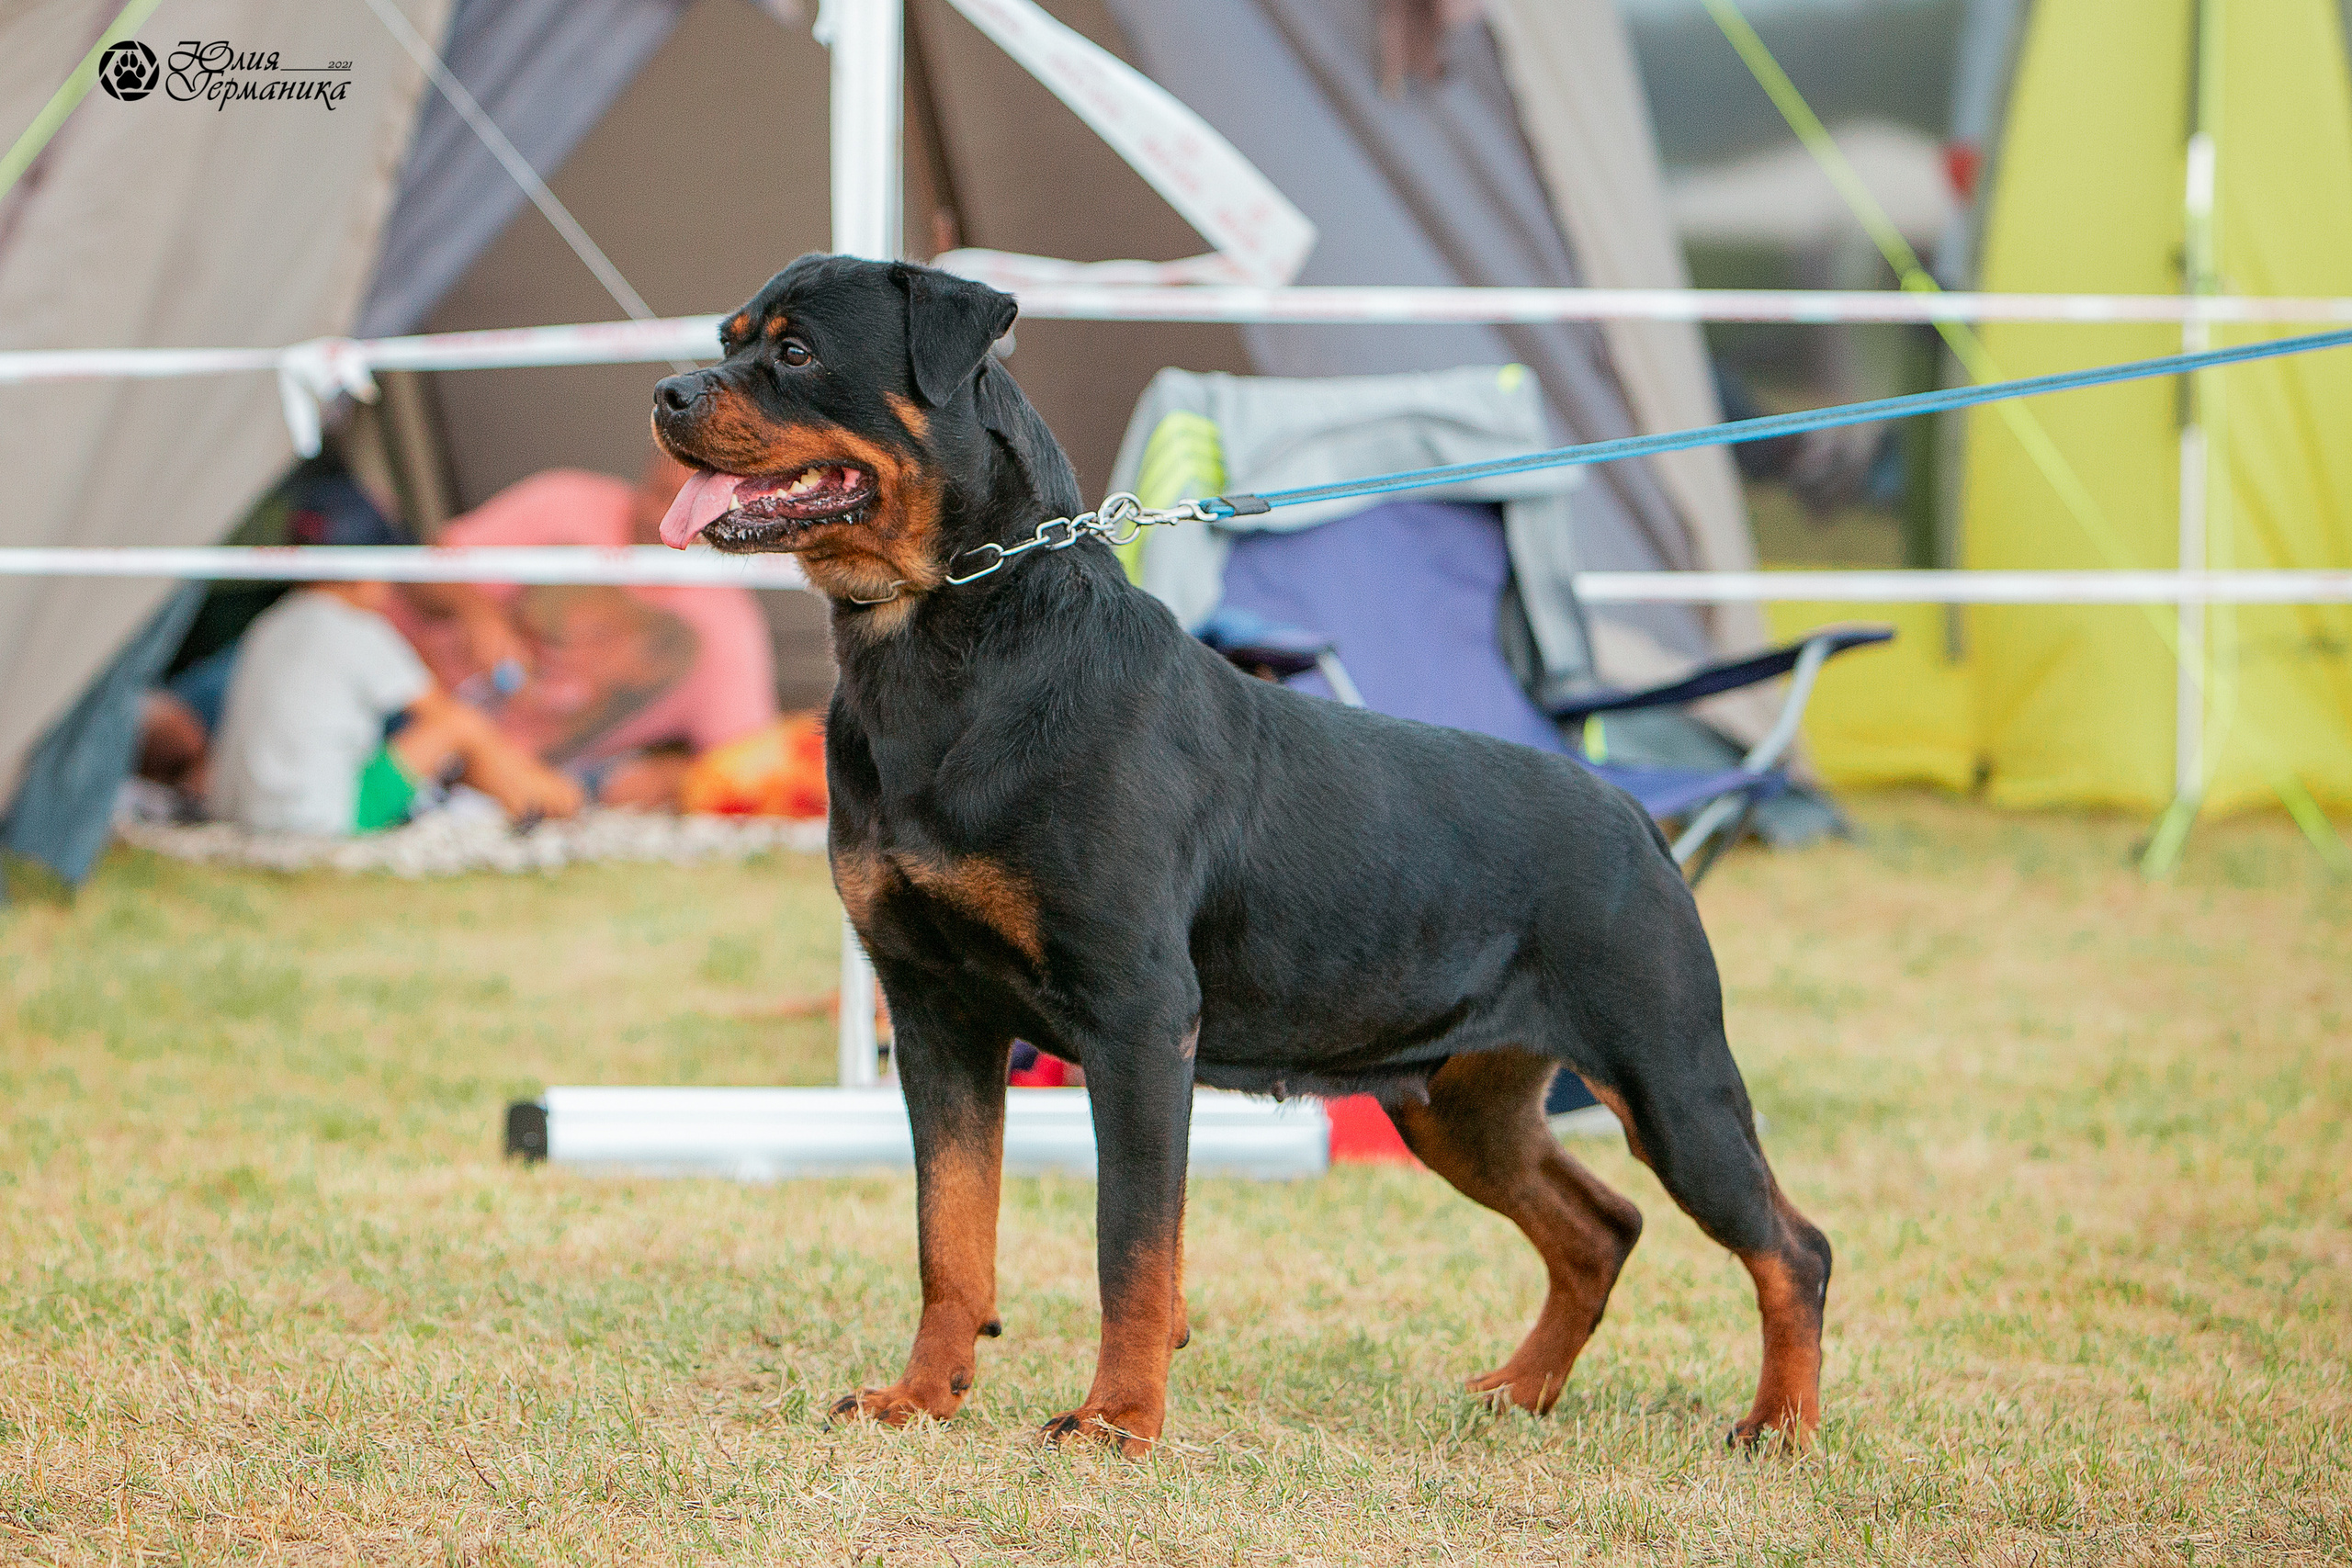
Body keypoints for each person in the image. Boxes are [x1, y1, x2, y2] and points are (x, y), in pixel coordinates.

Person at [392, 447, 778, 807]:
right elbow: (414, 573)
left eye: (695, 508)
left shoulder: (726, 629)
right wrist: (477, 613)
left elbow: (743, 766)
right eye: (659, 491)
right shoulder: (565, 502)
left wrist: (663, 777)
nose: (661, 516)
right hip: (404, 716)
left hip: (521, 781)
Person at [206, 581, 582, 835]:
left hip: (241, 814)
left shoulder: (272, 623)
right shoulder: (354, 628)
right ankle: (543, 802)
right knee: (459, 726)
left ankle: (542, 799)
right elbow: (444, 717)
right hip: (321, 820)